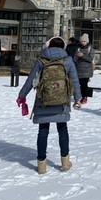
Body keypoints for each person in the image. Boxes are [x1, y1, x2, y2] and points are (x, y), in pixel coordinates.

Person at [17, 36, 83, 174]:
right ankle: (65, 162)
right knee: (62, 130)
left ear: (48, 46)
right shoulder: (68, 61)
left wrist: (22, 96)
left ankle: (42, 165)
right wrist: (78, 98)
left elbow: (31, 80)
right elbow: (75, 81)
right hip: (62, 101)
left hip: (43, 101)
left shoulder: (41, 60)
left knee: (43, 131)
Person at [74, 34, 95, 104]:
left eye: (84, 41)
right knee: (79, 84)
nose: (82, 43)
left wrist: (82, 55)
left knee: (84, 84)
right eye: (81, 41)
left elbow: (90, 59)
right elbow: (75, 59)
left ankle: (84, 97)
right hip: (79, 69)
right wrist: (77, 56)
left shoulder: (90, 48)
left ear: (87, 41)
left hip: (87, 70)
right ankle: (79, 96)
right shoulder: (78, 48)